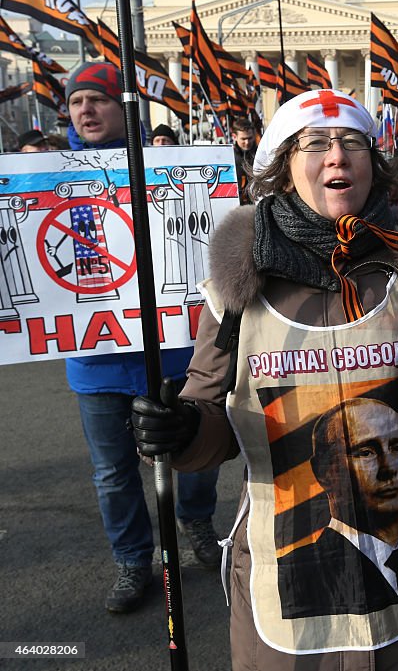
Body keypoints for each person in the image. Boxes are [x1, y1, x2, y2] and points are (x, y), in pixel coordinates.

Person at [131, 90, 398, 669]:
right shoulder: (238, 289)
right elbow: (216, 427)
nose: (337, 156)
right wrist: (181, 429)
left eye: (352, 142)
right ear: (283, 169)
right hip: (284, 600)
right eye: (316, 144)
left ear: (373, 165)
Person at [63, 62, 221, 614]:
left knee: (196, 450)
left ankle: (197, 525)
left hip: (173, 349)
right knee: (112, 472)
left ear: (125, 108)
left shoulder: (167, 169)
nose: (87, 110)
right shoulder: (42, 177)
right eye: (78, 100)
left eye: (98, 100)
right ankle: (134, 561)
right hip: (97, 357)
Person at [279, 398, 398, 616]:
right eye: (365, 452)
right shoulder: (295, 576)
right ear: (324, 472)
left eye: (397, 447)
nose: (388, 468)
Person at [232, 117, 258, 203]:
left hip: (256, 200)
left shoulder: (260, 154)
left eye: (250, 138)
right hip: (237, 202)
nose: (247, 142)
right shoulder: (230, 157)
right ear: (234, 137)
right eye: (243, 139)